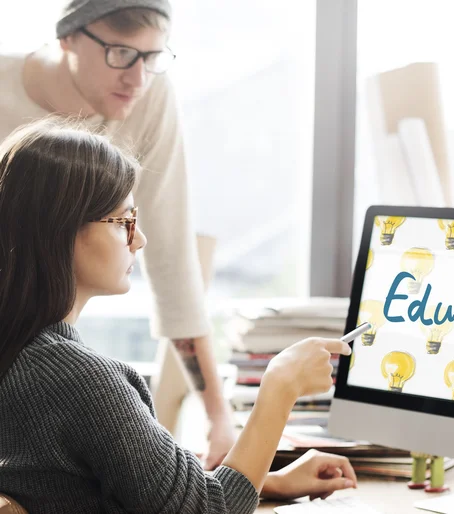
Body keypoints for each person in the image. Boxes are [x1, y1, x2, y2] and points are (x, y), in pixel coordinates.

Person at [0, 118, 357, 513]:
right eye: (124, 222)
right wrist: (280, 388)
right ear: (61, 231)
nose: (140, 239)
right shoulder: (78, 380)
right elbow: (208, 510)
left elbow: (92, 488)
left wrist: (266, 482)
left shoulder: (23, 357)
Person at [0, 0, 236, 468]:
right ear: (67, 37)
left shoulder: (150, 95)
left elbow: (170, 258)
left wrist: (218, 417)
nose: (138, 78)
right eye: (121, 54)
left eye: (153, 58)